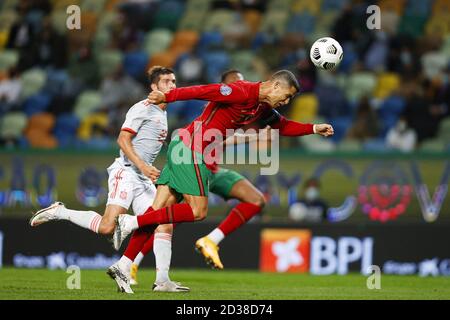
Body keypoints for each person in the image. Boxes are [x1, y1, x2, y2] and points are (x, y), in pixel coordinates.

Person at [112, 70, 334, 285]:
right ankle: (131, 221)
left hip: (187, 148)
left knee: (158, 212)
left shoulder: (262, 107)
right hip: (193, 149)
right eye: (287, 96)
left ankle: (123, 265)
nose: (286, 102)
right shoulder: (241, 91)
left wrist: (314, 128)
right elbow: (203, 90)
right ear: (276, 85)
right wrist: (167, 95)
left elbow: (283, 125)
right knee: (198, 211)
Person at [29, 66, 189, 293]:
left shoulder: (163, 112)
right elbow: (123, 140)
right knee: (107, 227)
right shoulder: (142, 108)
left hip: (142, 178)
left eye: (174, 81)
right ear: (154, 87)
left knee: (163, 222)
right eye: (166, 82)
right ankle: (60, 211)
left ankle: (162, 281)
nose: (172, 85)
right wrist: (143, 165)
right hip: (125, 172)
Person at [128, 70, 272, 286]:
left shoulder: (247, 107)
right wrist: (248, 140)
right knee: (166, 218)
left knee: (256, 199)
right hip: (194, 167)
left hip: (213, 171)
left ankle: (211, 240)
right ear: (224, 85)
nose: (242, 85)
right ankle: (133, 262)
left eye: (243, 81)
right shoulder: (215, 107)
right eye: (236, 82)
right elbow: (205, 139)